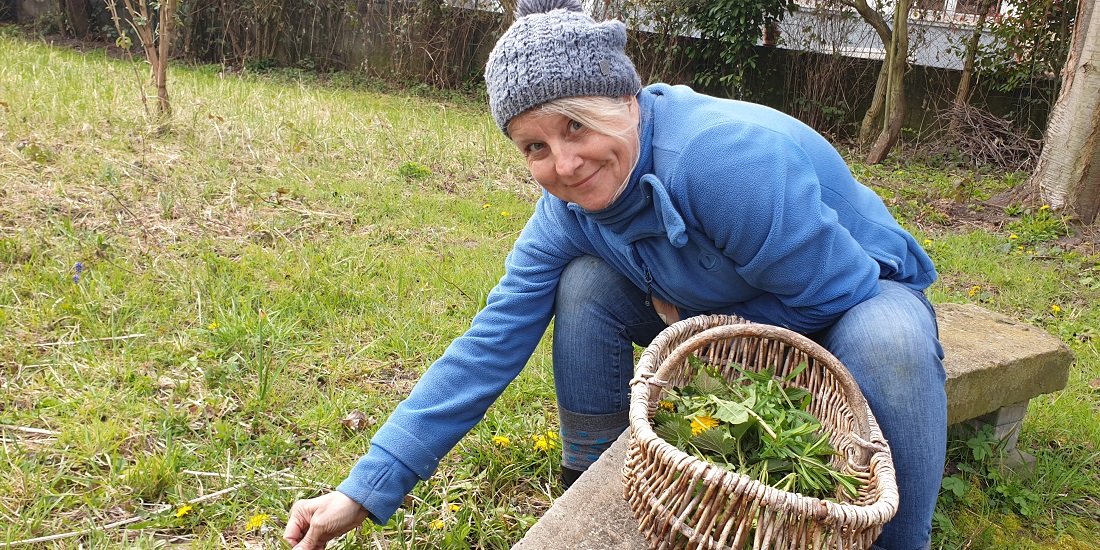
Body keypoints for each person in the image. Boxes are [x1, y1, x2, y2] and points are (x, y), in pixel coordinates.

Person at [282, 0, 947, 548]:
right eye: (535, 146)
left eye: (577, 125)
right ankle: (594, 483)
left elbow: (835, 292)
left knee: (889, 345)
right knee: (586, 285)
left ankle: (896, 540)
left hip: (854, 291)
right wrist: (364, 491)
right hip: (720, 298)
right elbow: (490, 341)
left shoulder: (720, 159)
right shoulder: (565, 210)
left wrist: (689, 332)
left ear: (621, 96)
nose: (564, 164)